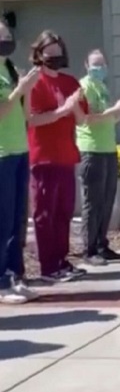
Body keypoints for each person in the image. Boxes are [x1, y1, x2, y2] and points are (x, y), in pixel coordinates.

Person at [25, 30, 88, 283]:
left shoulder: (71, 82)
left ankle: (62, 260)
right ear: (38, 55)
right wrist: (63, 110)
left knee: (64, 212)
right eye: (48, 54)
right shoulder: (36, 82)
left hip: (66, 156)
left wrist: (76, 107)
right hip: (42, 157)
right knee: (44, 213)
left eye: (57, 54)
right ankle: (48, 266)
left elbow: (82, 119)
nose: (53, 58)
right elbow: (33, 119)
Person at [76, 49, 120, 265]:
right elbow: (89, 118)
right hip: (91, 150)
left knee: (106, 200)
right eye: (95, 65)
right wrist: (115, 109)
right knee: (92, 203)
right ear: (86, 65)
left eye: (102, 65)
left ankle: (102, 244)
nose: (99, 69)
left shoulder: (102, 87)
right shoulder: (84, 87)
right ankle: (89, 249)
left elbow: (109, 119)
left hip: (108, 149)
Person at [0, 21, 40, 303]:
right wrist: (19, 90)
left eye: (7, 35)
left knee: (17, 219)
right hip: (2, 153)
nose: (6, 40)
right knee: (2, 220)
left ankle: (15, 274)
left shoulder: (10, 69)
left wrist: (25, 89)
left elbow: (22, 114)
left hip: (20, 150)